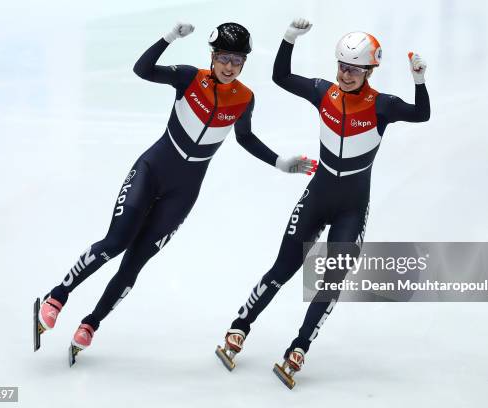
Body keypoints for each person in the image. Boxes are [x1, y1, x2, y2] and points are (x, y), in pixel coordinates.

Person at [33, 22, 317, 363]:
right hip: (152, 170)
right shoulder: (188, 78)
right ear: (212, 56)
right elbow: (142, 70)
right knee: (116, 242)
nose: (229, 66)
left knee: (135, 263)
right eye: (224, 58)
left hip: (184, 191)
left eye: (238, 60)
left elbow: (245, 137)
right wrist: (168, 37)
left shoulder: (244, 98)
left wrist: (279, 162)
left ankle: (91, 324)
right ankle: (57, 296)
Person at [216, 18, 430, 388]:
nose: (345, 75)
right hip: (319, 195)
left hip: (351, 207)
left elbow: (421, 113)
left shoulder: (384, 107)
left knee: (330, 282)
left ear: (370, 71)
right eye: (342, 67)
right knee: (283, 268)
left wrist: (419, 79)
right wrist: (288, 39)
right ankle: (240, 326)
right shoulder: (323, 92)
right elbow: (282, 77)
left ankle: (299, 346)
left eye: (354, 70)